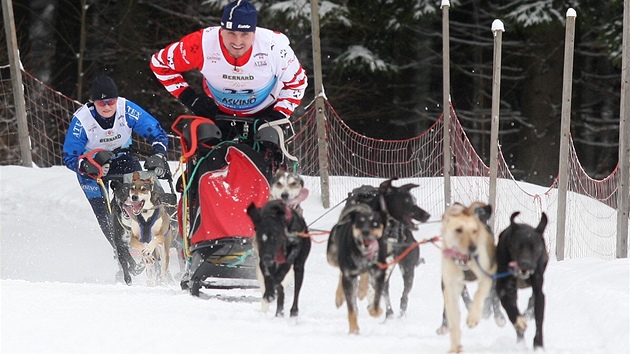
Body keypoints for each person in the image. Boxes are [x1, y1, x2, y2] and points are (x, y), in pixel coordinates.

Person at [149, 0, 308, 142]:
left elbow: (298, 83)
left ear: (254, 33)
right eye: (231, 33)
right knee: (204, 156)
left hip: (264, 113)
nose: (237, 42)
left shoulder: (274, 48)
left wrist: (278, 115)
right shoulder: (200, 44)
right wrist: (189, 98)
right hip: (217, 112)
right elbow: (160, 63)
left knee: (267, 160)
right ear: (221, 30)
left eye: (244, 34)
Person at [62, 75, 170, 256]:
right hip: (93, 165)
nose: (106, 107)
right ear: (93, 102)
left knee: (143, 196)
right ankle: (121, 251)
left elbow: (157, 133)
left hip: (123, 157)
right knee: (104, 213)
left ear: (117, 100)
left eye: (111, 102)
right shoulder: (82, 120)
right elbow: (69, 156)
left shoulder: (127, 109)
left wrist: (159, 154)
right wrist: (85, 166)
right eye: (101, 102)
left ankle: (152, 238)